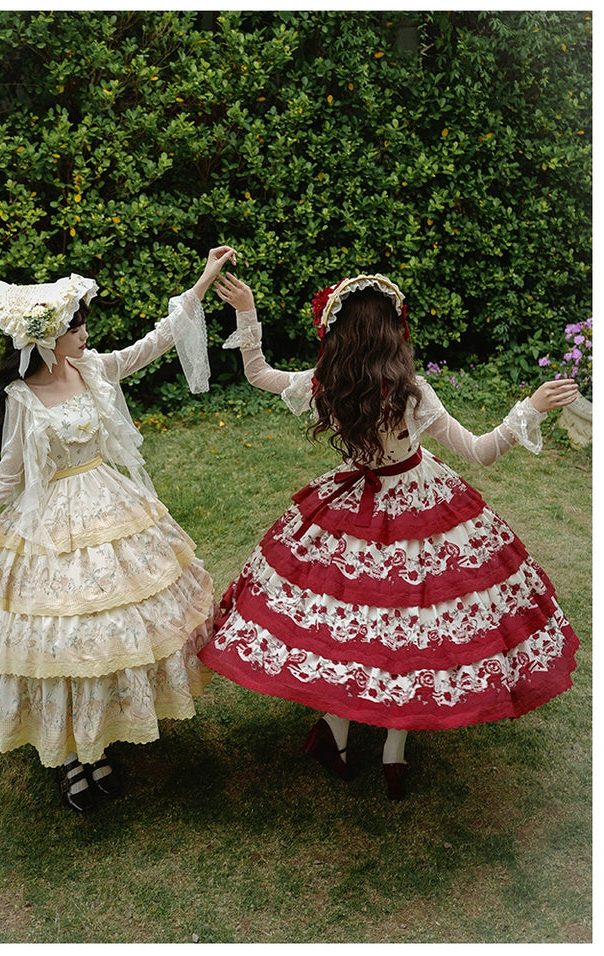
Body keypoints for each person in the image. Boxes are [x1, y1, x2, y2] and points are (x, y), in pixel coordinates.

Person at [199, 270, 580, 800]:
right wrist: (529, 409)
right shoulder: (411, 391)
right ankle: (392, 753)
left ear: (337, 335)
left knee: (350, 623)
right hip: (421, 505)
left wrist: (247, 310)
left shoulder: (326, 383)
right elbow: (481, 451)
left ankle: (336, 734)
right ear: (391, 332)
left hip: (353, 506)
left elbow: (257, 371)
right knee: (410, 626)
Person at [0, 246, 237, 812]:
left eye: (83, 323)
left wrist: (205, 280)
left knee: (110, 628)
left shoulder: (93, 368)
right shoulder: (22, 398)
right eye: (75, 326)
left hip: (110, 505)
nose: (85, 333)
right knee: (57, 637)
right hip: (47, 524)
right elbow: (6, 480)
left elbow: (156, 342)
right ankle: (69, 753)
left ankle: (98, 737)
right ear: (46, 339)